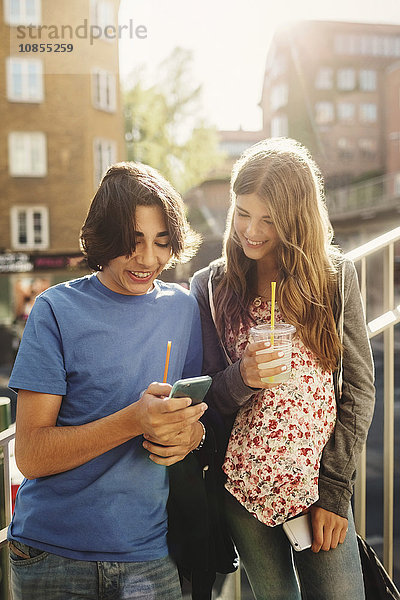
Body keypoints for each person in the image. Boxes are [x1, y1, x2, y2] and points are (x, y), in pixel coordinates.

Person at [8, 161, 208, 600]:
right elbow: (31, 455)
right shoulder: (55, 310)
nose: (148, 259)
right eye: (131, 242)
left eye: (161, 243)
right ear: (104, 240)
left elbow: (191, 421)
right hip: (52, 555)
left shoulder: (183, 309)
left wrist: (189, 434)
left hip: (149, 554)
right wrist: (134, 420)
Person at [190, 137, 375, 600]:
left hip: (315, 485)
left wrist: (334, 491)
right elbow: (207, 396)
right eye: (242, 212)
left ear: (295, 220)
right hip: (243, 485)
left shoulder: (333, 277)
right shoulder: (212, 285)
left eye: (268, 220)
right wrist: (241, 379)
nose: (250, 230)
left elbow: (359, 389)